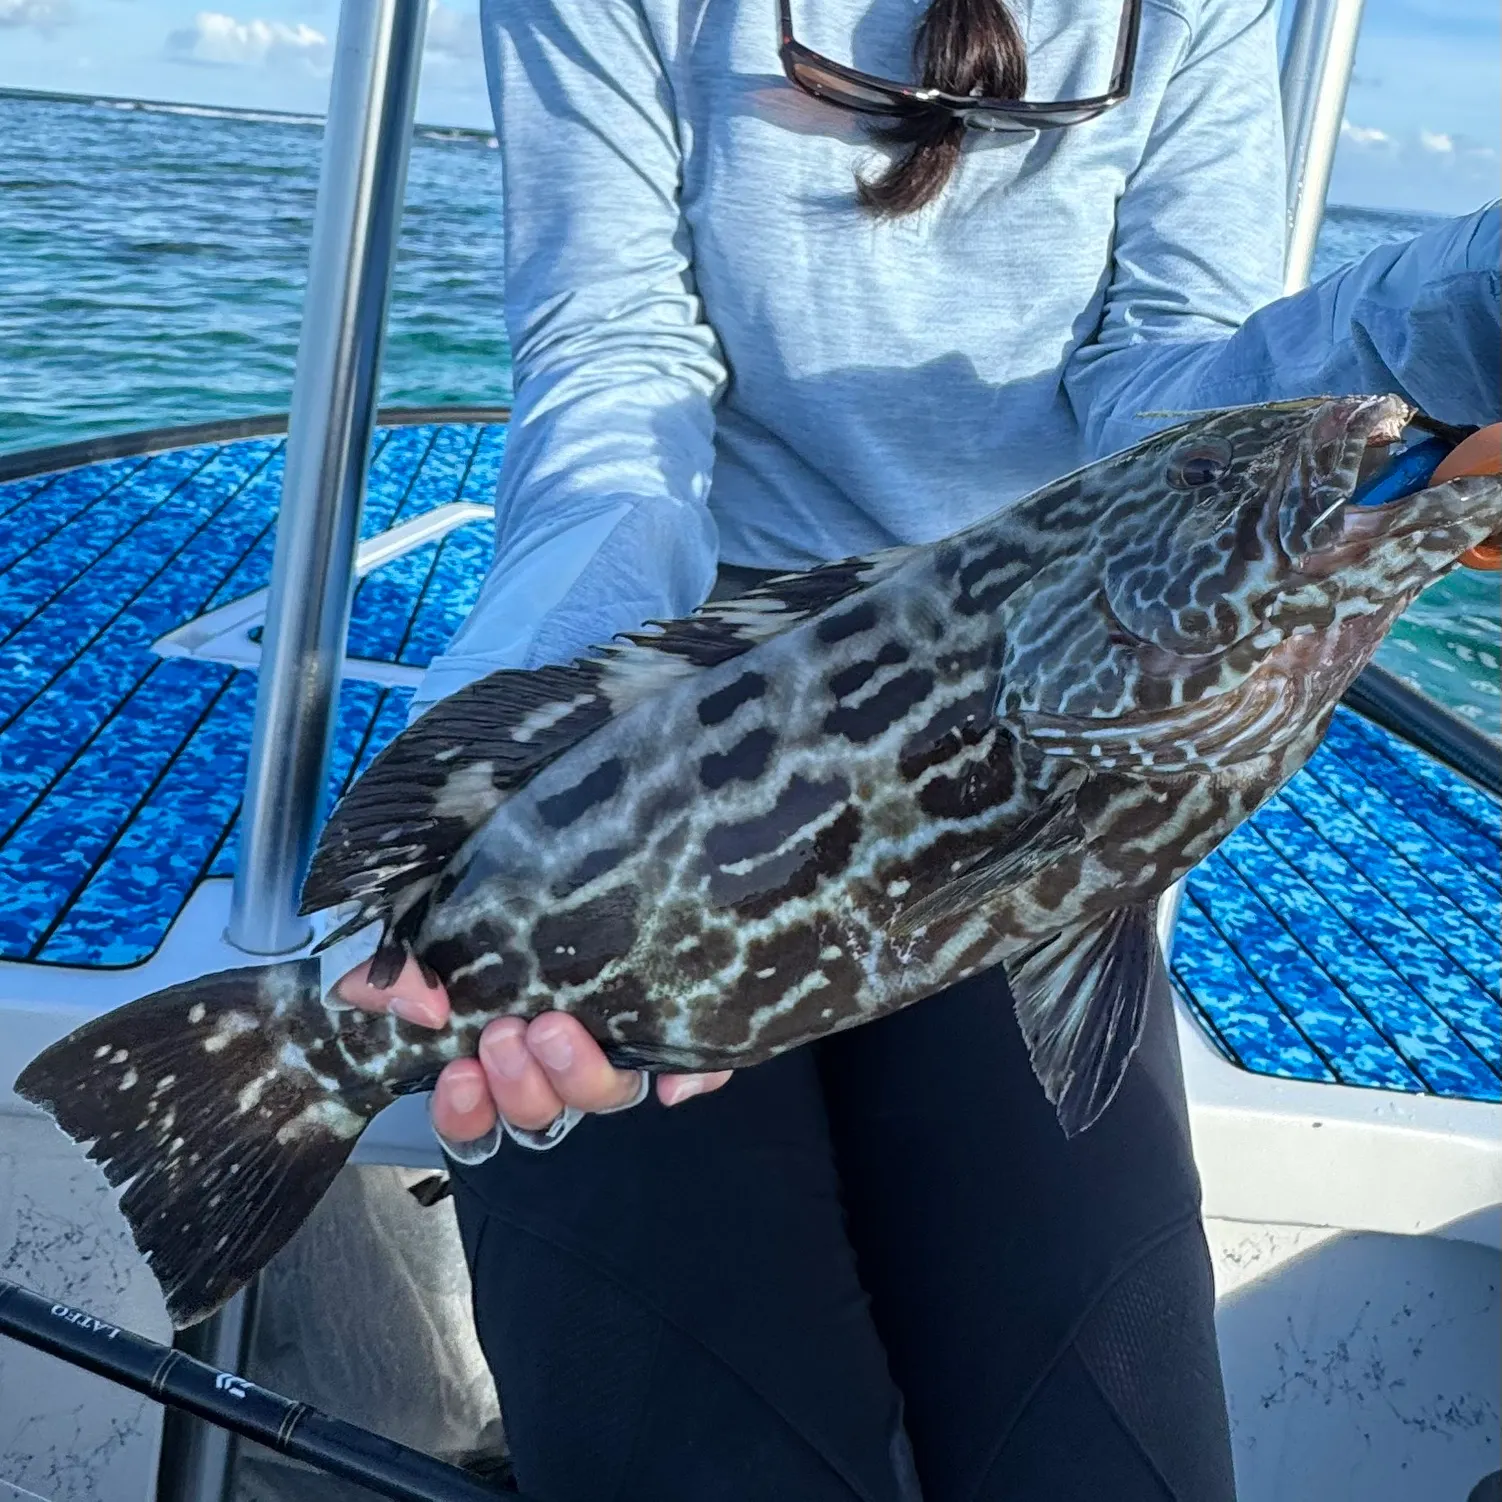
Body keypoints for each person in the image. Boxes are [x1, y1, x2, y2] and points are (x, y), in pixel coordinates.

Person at [326, 0, 1501, 1495]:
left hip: (1061, 655)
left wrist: (1471, 303)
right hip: (692, 675)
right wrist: (516, 779)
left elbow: (1170, 382)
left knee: (1104, 1444)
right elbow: (616, 368)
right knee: (690, 1438)